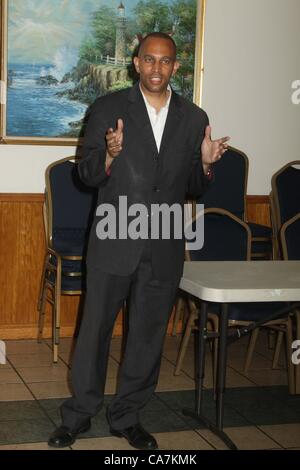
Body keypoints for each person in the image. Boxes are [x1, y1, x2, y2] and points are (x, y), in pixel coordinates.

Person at [48, 32, 229, 450]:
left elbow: (194, 188)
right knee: (93, 333)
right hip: (114, 237)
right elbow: (86, 174)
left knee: (147, 337)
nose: (156, 68)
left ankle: (128, 415)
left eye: (165, 62)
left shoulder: (194, 117)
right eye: (149, 59)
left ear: (176, 67)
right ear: (135, 62)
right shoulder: (108, 108)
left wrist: (204, 165)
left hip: (163, 243)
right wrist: (109, 154)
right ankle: (77, 415)